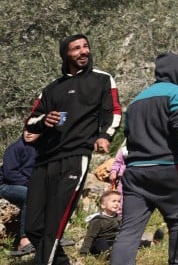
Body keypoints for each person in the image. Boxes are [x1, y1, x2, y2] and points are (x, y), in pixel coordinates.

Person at [23, 34, 121, 265]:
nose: (83, 51)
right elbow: (30, 121)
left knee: (54, 224)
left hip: (75, 156)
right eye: (76, 48)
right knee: (33, 226)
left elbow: (114, 112)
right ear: (65, 54)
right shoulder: (51, 89)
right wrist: (44, 120)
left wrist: (104, 136)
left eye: (86, 46)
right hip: (44, 159)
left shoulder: (102, 79)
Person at [110, 53, 178, 265]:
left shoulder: (136, 101)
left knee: (129, 231)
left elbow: (129, 135)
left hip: (134, 172)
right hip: (168, 169)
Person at [1, 130, 40, 257]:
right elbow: (10, 174)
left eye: (34, 130)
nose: (29, 133)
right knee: (30, 195)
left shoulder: (41, 149)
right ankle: (24, 240)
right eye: (27, 130)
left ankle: (50, 236)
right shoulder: (15, 148)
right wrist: (33, 186)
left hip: (24, 185)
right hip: (5, 186)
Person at [79, 190, 122, 257]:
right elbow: (90, 237)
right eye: (113, 201)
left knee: (127, 242)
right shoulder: (98, 220)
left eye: (119, 201)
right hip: (98, 243)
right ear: (103, 205)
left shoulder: (118, 218)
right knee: (101, 242)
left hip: (112, 241)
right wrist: (83, 253)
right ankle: (108, 256)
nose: (117, 204)